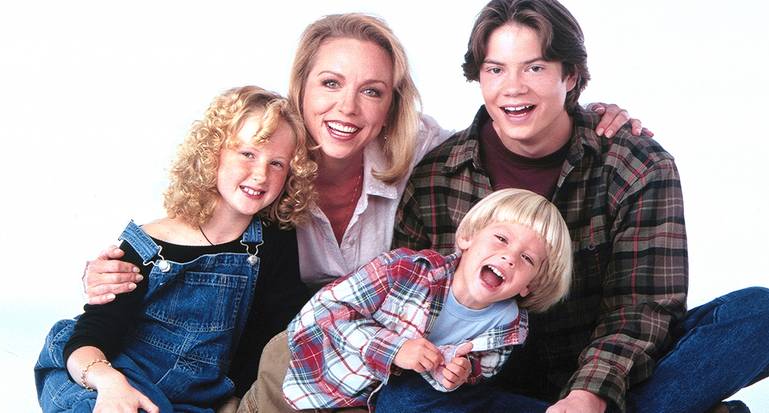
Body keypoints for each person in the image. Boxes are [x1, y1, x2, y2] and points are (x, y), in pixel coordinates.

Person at [80, 12, 650, 413]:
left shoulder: (425, 151)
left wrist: (581, 111)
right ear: (301, 87)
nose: (347, 108)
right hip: (293, 357)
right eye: (330, 83)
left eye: (372, 91)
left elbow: (507, 129)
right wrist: (124, 265)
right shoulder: (267, 162)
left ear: (392, 104)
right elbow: (198, 224)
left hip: (394, 364)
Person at [393, 1, 769, 412]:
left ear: (570, 75)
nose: (513, 87)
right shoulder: (436, 177)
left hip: (613, 372)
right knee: (402, 400)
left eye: (534, 68)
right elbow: (401, 302)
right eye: (496, 69)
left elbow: (643, 307)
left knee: (759, 314)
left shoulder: (636, 164)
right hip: (485, 381)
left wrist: (590, 392)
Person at [34, 86, 317, 413]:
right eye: (247, 154)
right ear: (212, 153)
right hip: (110, 377)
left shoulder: (273, 244)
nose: (261, 174)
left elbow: (269, 339)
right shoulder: (149, 246)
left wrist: (233, 401)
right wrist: (109, 382)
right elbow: (91, 336)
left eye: (277, 163)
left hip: (190, 401)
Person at [282, 189, 573, 411]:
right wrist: (395, 349)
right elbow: (322, 312)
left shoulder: (509, 326)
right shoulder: (403, 270)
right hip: (334, 385)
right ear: (468, 238)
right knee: (405, 397)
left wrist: (461, 373)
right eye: (501, 239)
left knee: (455, 399)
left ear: (529, 285)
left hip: (419, 397)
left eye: (527, 258)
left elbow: (482, 371)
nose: (509, 257)